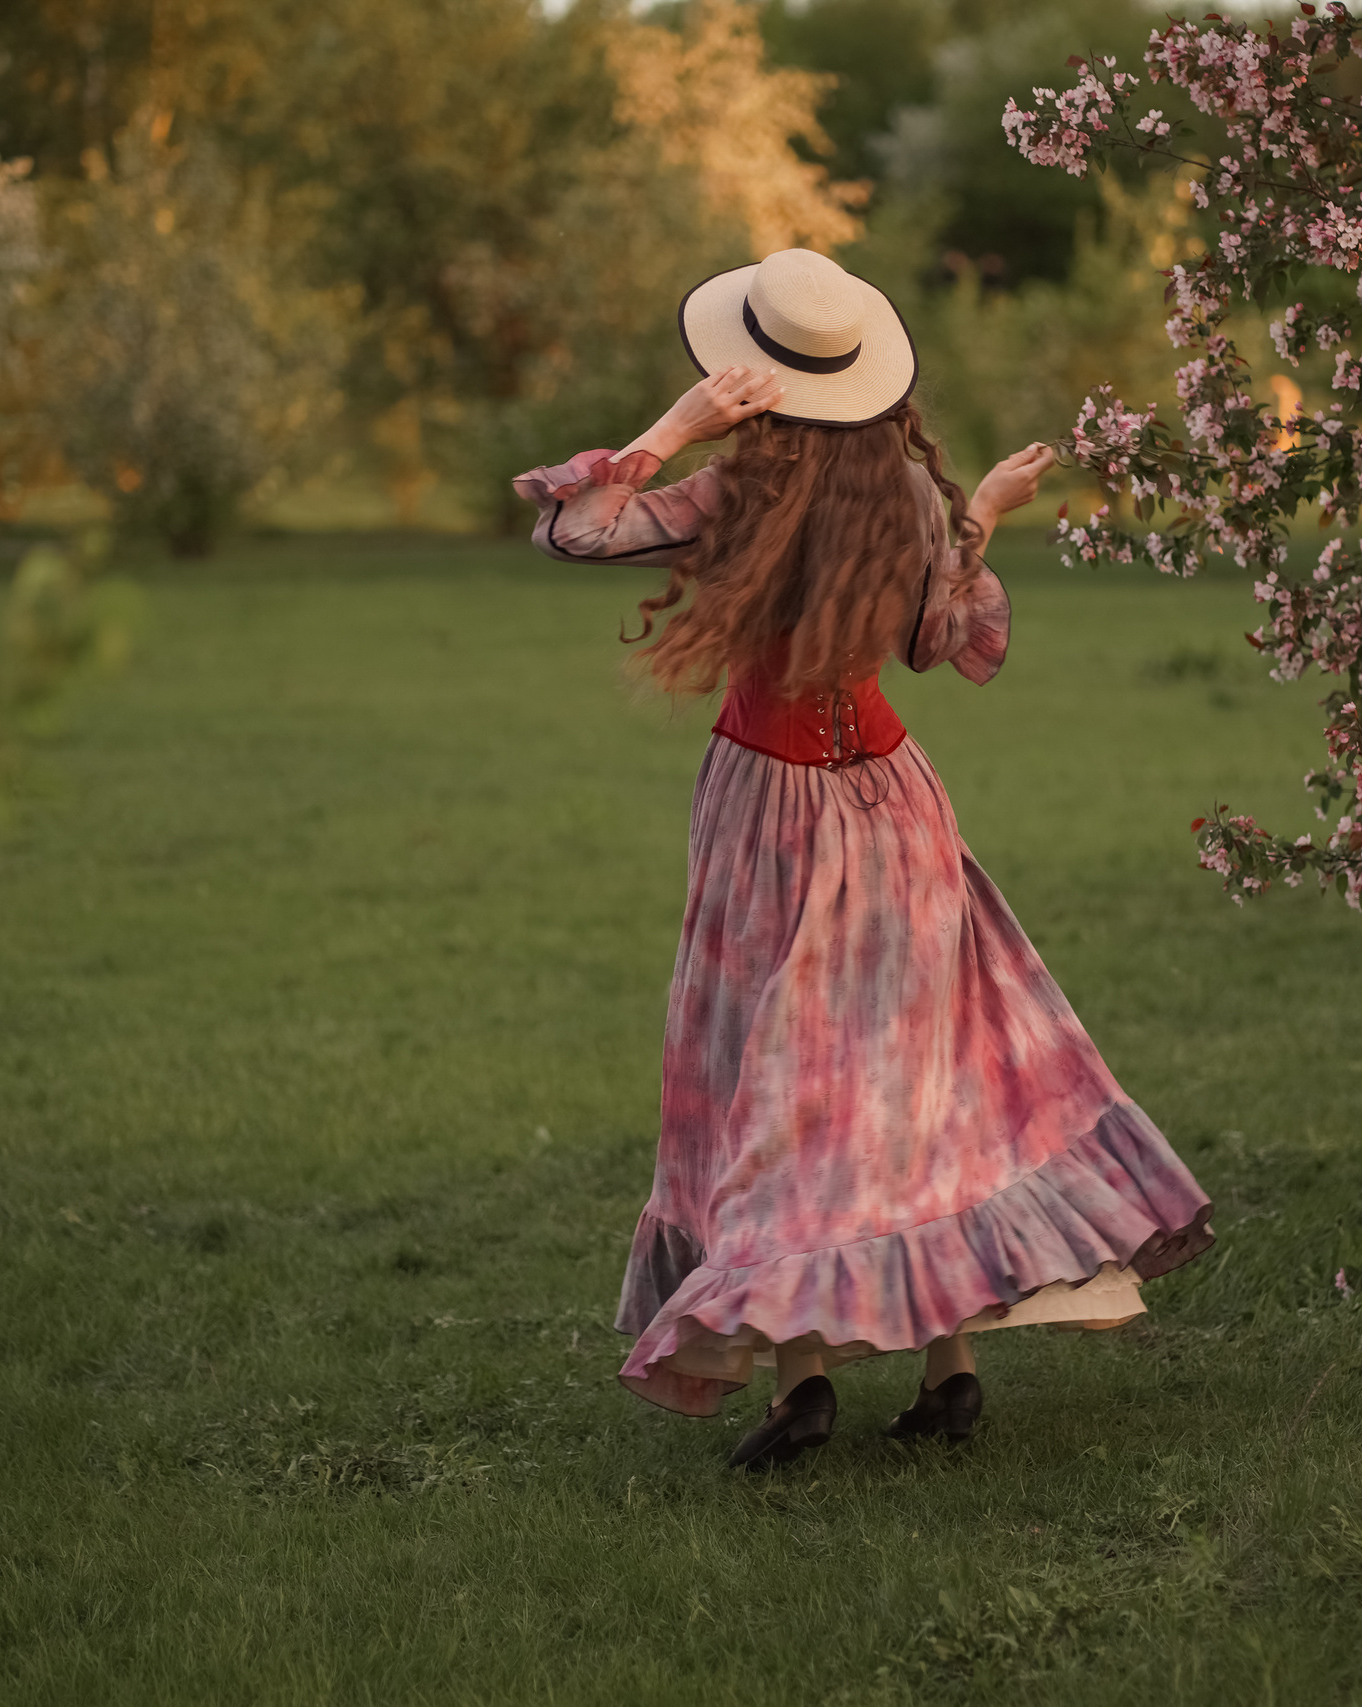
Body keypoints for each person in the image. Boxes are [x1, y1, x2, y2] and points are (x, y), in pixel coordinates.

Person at [513, 248, 1213, 1470]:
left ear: (751, 377)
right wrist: (980, 513)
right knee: (911, 1080)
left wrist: (674, 427)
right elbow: (939, 642)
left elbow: (578, 531)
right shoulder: (903, 498)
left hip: (772, 811)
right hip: (894, 809)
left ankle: (805, 1385)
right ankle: (949, 1374)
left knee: (788, 1087)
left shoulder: (729, 495)